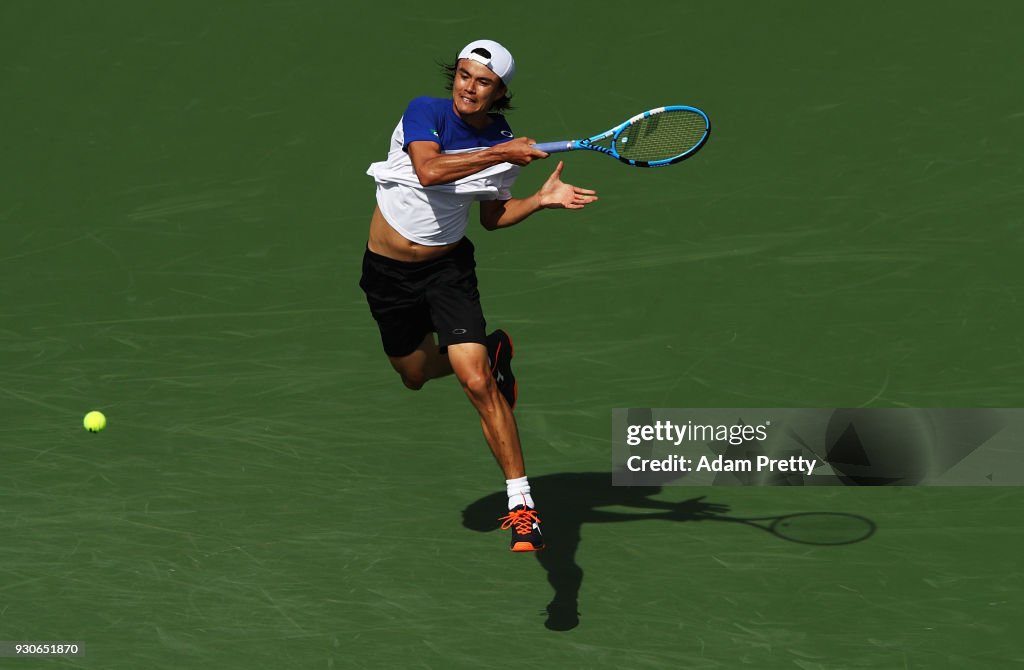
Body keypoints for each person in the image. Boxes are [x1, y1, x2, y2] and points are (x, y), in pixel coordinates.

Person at [359, 39, 598, 552]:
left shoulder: (506, 144)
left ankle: (522, 505)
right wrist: (502, 154)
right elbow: (429, 170)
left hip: (448, 270)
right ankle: (491, 350)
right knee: (415, 374)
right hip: (388, 274)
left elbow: (493, 218)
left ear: (499, 91)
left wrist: (537, 199)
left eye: (483, 81)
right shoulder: (425, 112)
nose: (469, 87)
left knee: (477, 382)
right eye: (464, 76)